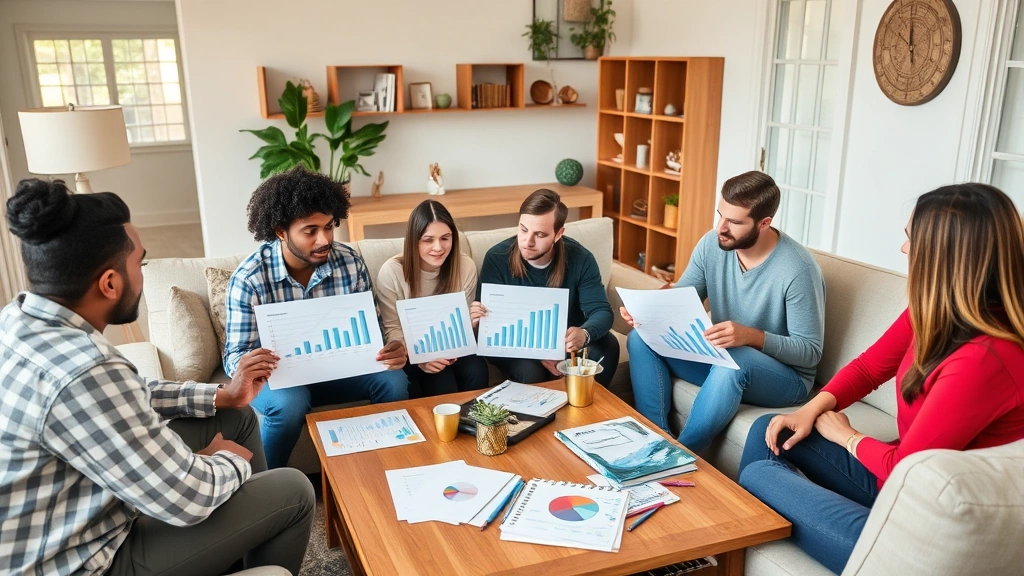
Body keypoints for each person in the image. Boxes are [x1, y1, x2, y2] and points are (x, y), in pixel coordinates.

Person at [0, 179, 313, 576]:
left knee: (236, 418)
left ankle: (232, 553)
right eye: (139, 263)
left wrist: (223, 395)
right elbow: (187, 499)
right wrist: (229, 464)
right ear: (110, 283)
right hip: (85, 562)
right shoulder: (84, 369)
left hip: (65, 522)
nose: (143, 274)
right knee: (295, 491)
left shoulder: (19, 319)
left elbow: (131, 392)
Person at [737, 183, 1024, 574]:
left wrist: (848, 436)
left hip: (920, 528)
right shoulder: (938, 312)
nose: (904, 249)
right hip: (894, 484)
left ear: (944, 255)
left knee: (758, 475)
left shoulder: (986, 358)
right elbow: (870, 367)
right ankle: (741, 546)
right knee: (771, 430)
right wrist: (811, 409)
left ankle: (738, 542)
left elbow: (907, 467)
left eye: (910, 238)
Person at [621, 171, 825, 452]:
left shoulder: (797, 270)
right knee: (639, 337)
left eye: (734, 222)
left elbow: (810, 352)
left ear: (764, 223)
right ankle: (654, 440)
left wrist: (751, 336)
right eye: (720, 215)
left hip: (786, 378)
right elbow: (683, 296)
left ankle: (681, 455)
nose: (721, 227)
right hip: (721, 357)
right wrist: (647, 312)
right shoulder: (712, 245)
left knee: (737, 360)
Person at [224, 166, 408, 469]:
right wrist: (254, 365)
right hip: (284, 379)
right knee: (288, 403)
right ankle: (268, 484)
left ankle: (385, 467)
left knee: (394, 381)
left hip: (339, 368)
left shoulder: (349, 262)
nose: (324, 239)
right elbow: (235, 358)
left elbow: (372, 331)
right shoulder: (250, 278)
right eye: (310, 231)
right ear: (281, 232)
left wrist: (391, 347)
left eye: (329, 226)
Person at [476, 188, 619, 387]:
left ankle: (588, 413)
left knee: (608, 346)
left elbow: (601, 311)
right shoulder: (497, 258)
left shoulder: (580, 258)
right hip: (515, 343)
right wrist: (540, 353)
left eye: (540, 234)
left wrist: (583, 334)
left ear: (558, 234)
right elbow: (492, 326)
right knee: (530, 371)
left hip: (565, 343)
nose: (527, 242)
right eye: (523, 229)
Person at [376, 199, 490, 396]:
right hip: (412, 350)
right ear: (414, 241)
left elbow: (464, 328)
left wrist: (472, 323)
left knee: (477, 369)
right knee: (440, 381)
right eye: (428, 240)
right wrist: (420, 357)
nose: (438, 247)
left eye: (445, 238)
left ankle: (477, 425)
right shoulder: (392, 272)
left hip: (454, 345)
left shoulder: (465, 266)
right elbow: (393, 329)